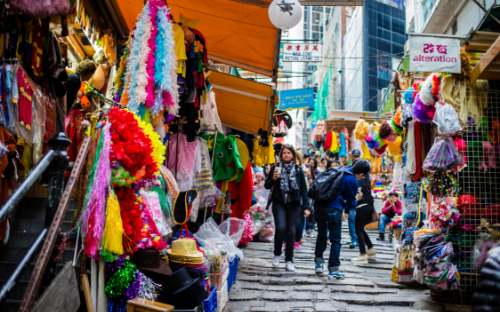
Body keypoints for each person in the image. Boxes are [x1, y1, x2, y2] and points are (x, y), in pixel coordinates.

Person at [265, 145, 310, 272]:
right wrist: (273, 178)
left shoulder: (298, 170)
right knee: (280, 228)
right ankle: (277, 254)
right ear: (281, 155)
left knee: (291, 231)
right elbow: (267, 185)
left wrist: (306, 207)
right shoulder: (275, 168)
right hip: (279, 203)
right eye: (284, 153)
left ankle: (289, 259)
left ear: (293, 156)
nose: (286, 155)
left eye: (289, 153)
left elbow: (303, 190)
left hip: (294, 205)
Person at [313, 163, 358, 279]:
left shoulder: (336, 170)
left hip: (319, 207)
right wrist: (347, 211)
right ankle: (333, 270)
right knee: (336, 240)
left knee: (321, 235)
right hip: (334, 209)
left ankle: (318, 264)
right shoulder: (351, 179)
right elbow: (351, 200)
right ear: (361, 173)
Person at [351, 160, 376, 264]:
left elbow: (357, 195)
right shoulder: (366, 178)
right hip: (368, 206)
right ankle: (370, 249)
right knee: (360, 229)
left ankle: (363, 255)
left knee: (358, 230)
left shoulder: (359, 179)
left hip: (362, 206)